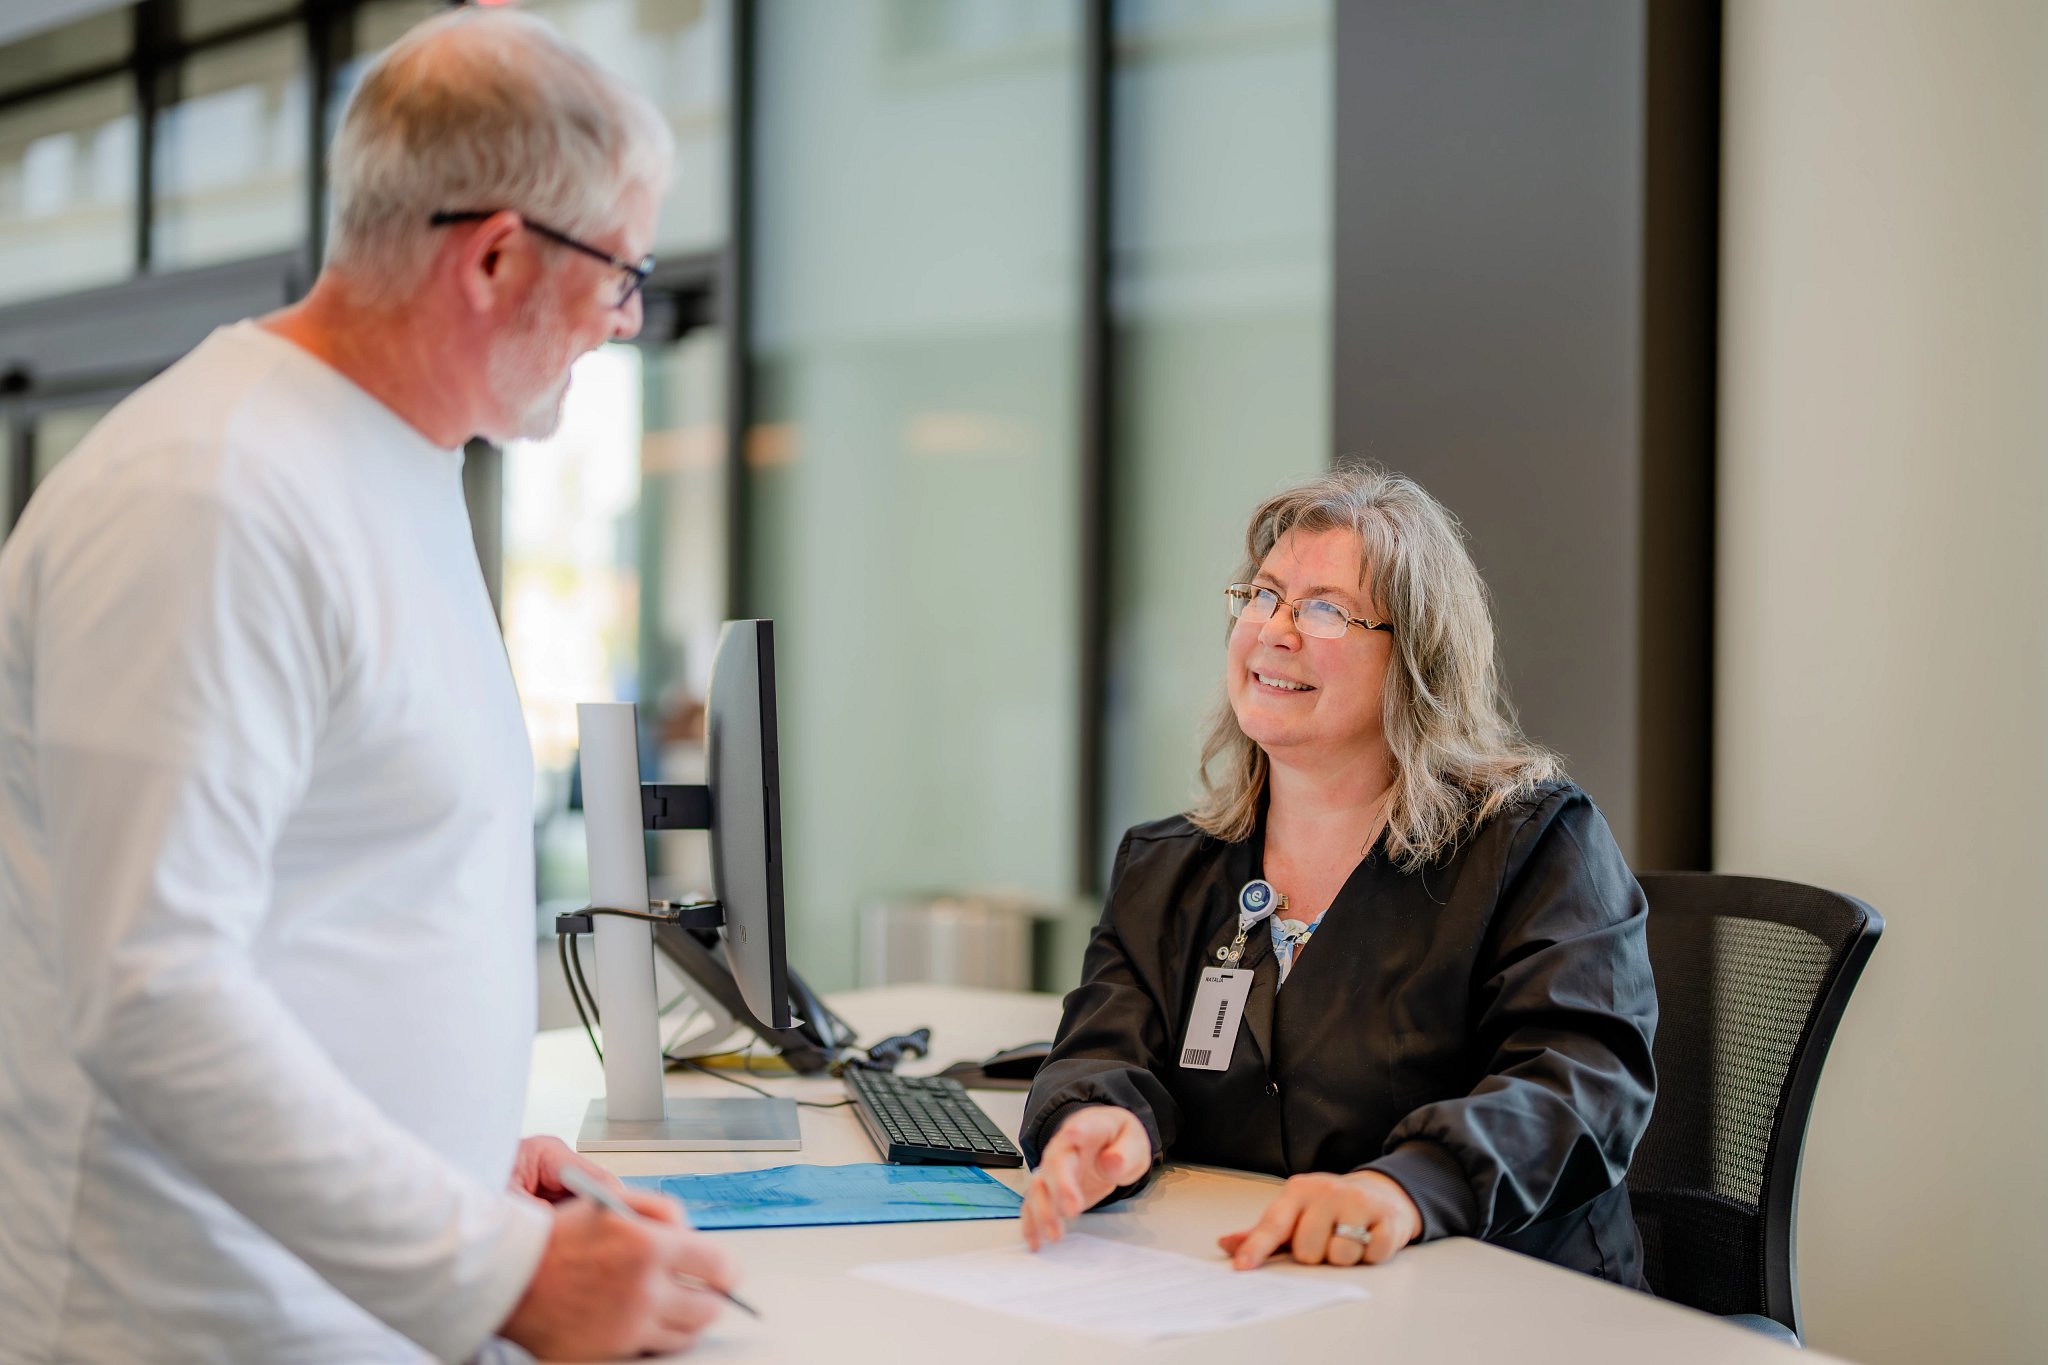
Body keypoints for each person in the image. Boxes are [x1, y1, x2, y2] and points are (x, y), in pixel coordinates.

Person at [0, 9, 735, 1361]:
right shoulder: (209, 493)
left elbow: (349, 897)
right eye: (623, 272)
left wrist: (457, 1153)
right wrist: (499, 1268)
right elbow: (154, 990)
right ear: (498, 253)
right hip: (196, 1316)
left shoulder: (387, 465)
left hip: (340, 1294)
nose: (627, 320)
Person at [1017, 466, 1658, 1284]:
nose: (1275, 631)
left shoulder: (1533, 843)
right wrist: (1102, 1119)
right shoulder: (1169, 865)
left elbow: (1581, 1084)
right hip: (1244, 1293)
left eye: (1325, 608)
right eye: (1264, 596)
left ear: (1417, 657)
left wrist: (1404, 1189)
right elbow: (1101, 1044)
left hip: (1495, 1303)